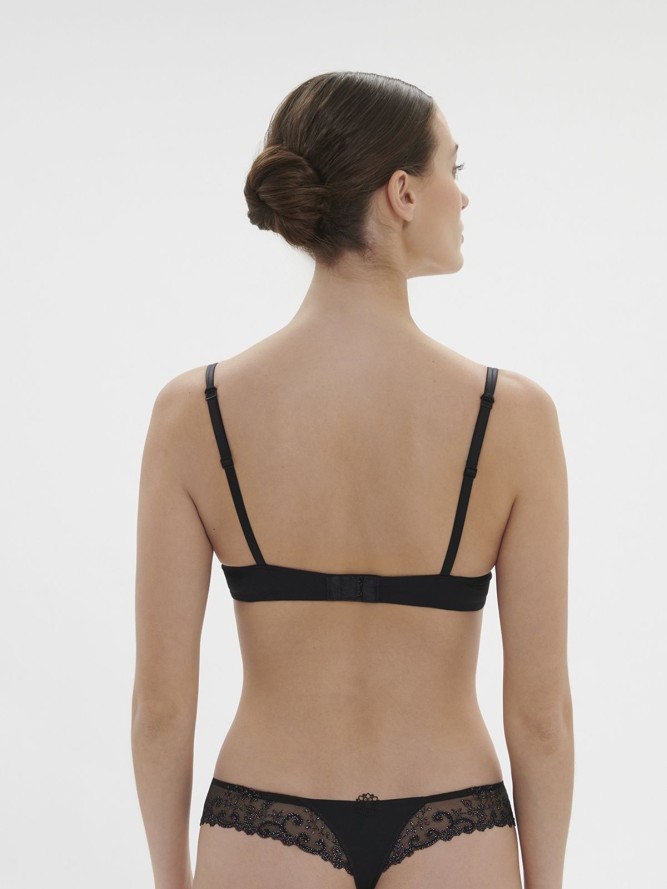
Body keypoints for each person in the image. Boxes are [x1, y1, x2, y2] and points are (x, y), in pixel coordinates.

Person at [132, 71, 574, 889]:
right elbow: (539, 716)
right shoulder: (511, 416)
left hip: (262, 814)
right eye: (452, 169)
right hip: (455, 817)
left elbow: (161, 706)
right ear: (401, 192)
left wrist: (170, 881)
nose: (462, 197)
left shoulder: (195, 411)